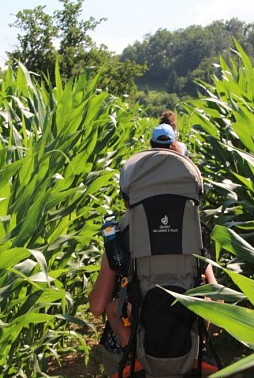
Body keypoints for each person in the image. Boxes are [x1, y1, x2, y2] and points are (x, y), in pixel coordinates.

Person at [89, 122, 216, 376]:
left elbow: (98, 306)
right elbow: (216, 294)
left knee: (116, 309)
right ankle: (192, 352)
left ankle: (133, 355)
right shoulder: (195, 233)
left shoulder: (123, 236)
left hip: (137, 346)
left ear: (129, 199)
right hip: (184, 344)